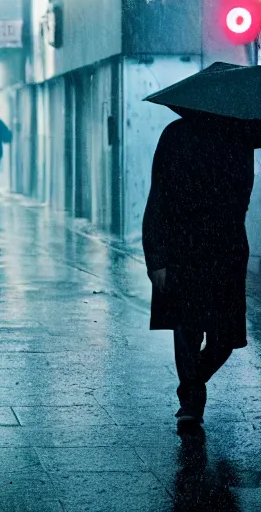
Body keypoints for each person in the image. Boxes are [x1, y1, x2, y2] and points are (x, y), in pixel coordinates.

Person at [142, 111, 260, 433]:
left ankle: (191, 387)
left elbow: (243, 194)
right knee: (187, 328)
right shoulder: (176, 135)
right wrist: (156, 258)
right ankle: (191, 402)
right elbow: (159, 198)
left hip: (225, 248)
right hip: (185, 246)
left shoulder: (239, 137)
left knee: (225, 336)